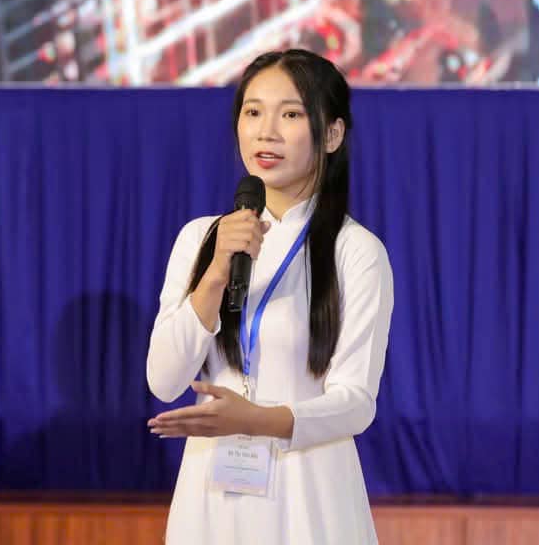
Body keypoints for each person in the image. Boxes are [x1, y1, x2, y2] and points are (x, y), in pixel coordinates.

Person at [146, 49, 395, 544]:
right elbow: (165, 380)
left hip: (309, 497)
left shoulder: (355, 251)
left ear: (332, 134)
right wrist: (215, 273)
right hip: (212, 500)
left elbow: (355, 403)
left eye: (291, 114)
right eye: (253, 112)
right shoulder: (200, 239)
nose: (266, 132)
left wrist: (258, 420)